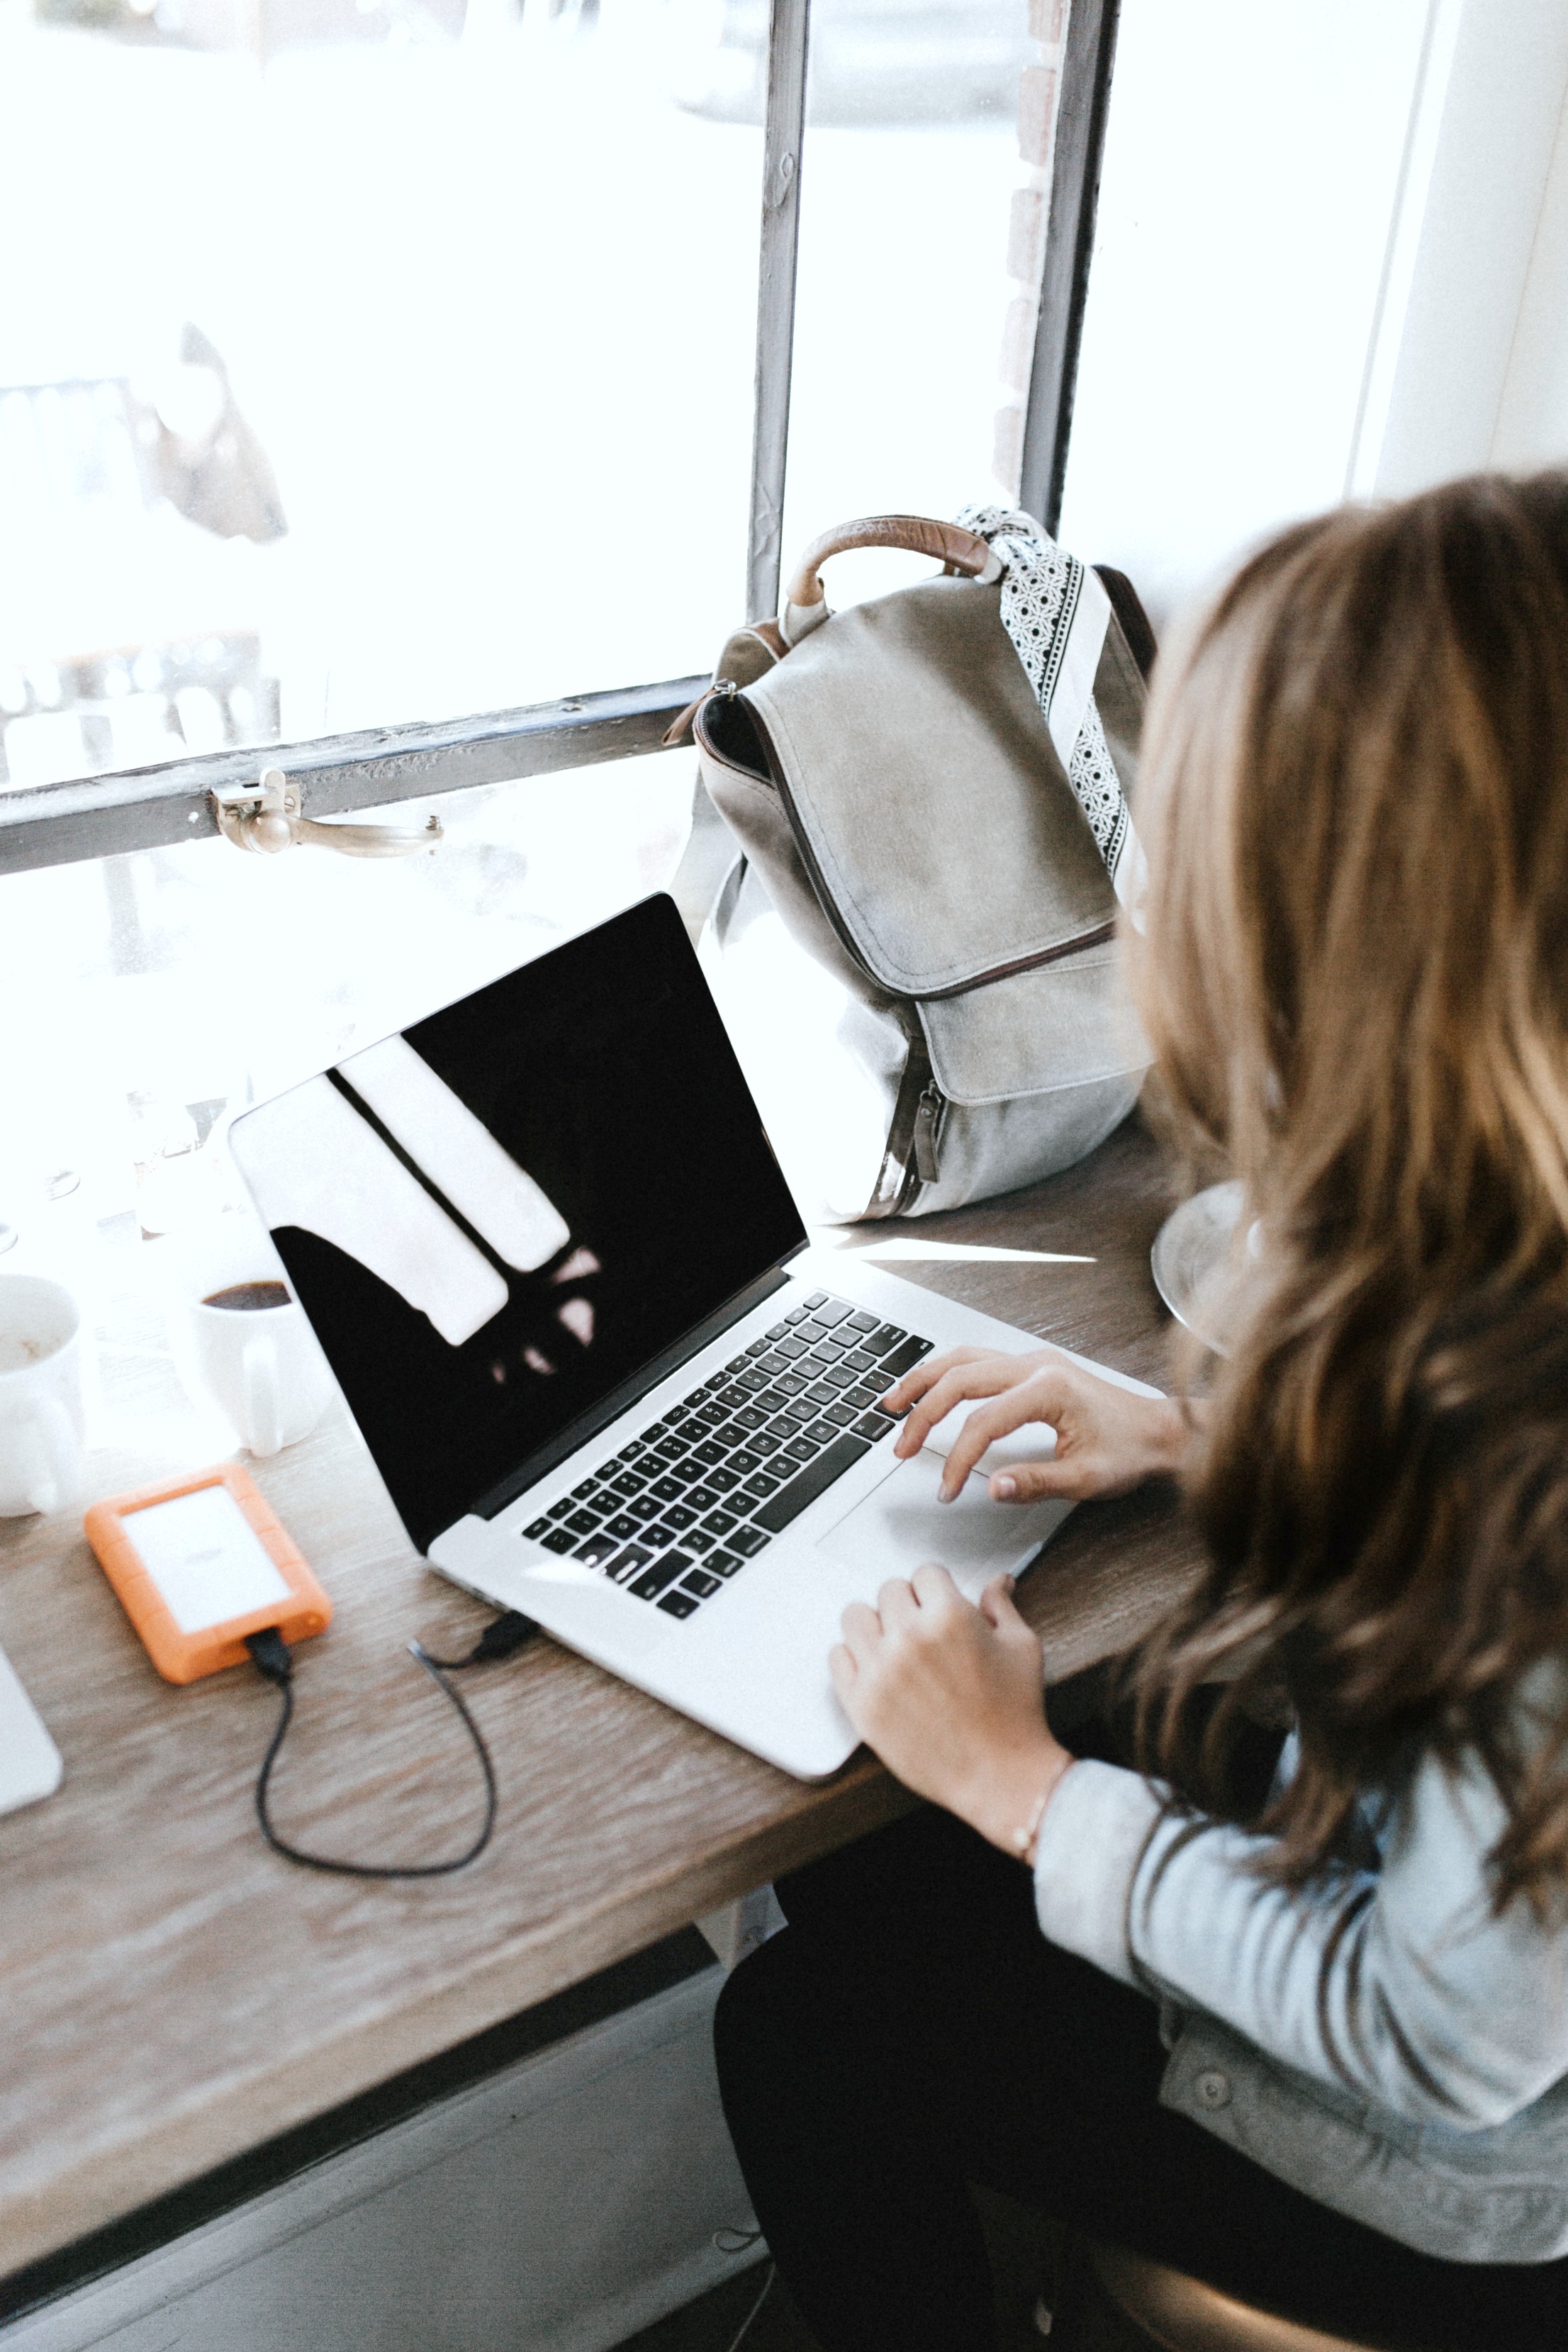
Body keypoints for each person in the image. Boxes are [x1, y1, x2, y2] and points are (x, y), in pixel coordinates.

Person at [713, 471, 1568, 2352]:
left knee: (807, 2025)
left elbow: (1442, 2045)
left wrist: (1021, 1787)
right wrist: (1197, 1436)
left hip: (1483, 2209)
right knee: (886, 1871)